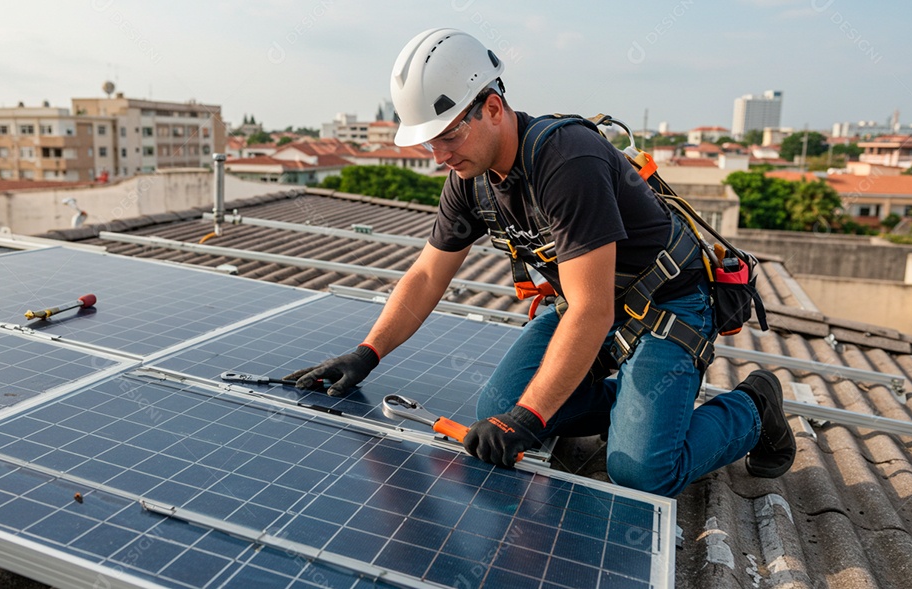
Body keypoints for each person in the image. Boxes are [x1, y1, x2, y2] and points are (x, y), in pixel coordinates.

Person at [286, 28, 795, 497]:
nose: (439, 155)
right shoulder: (469, 179)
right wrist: (366, 353)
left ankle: (752, 406)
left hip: (665, 304)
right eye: (429, 142)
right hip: (587, 304)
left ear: (491, 107)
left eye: (448, 136)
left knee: (641, 473)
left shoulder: (567, 161)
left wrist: (529, 419)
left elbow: (592, 311)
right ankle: (635, 404)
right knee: (494, 411)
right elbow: (425, 276)